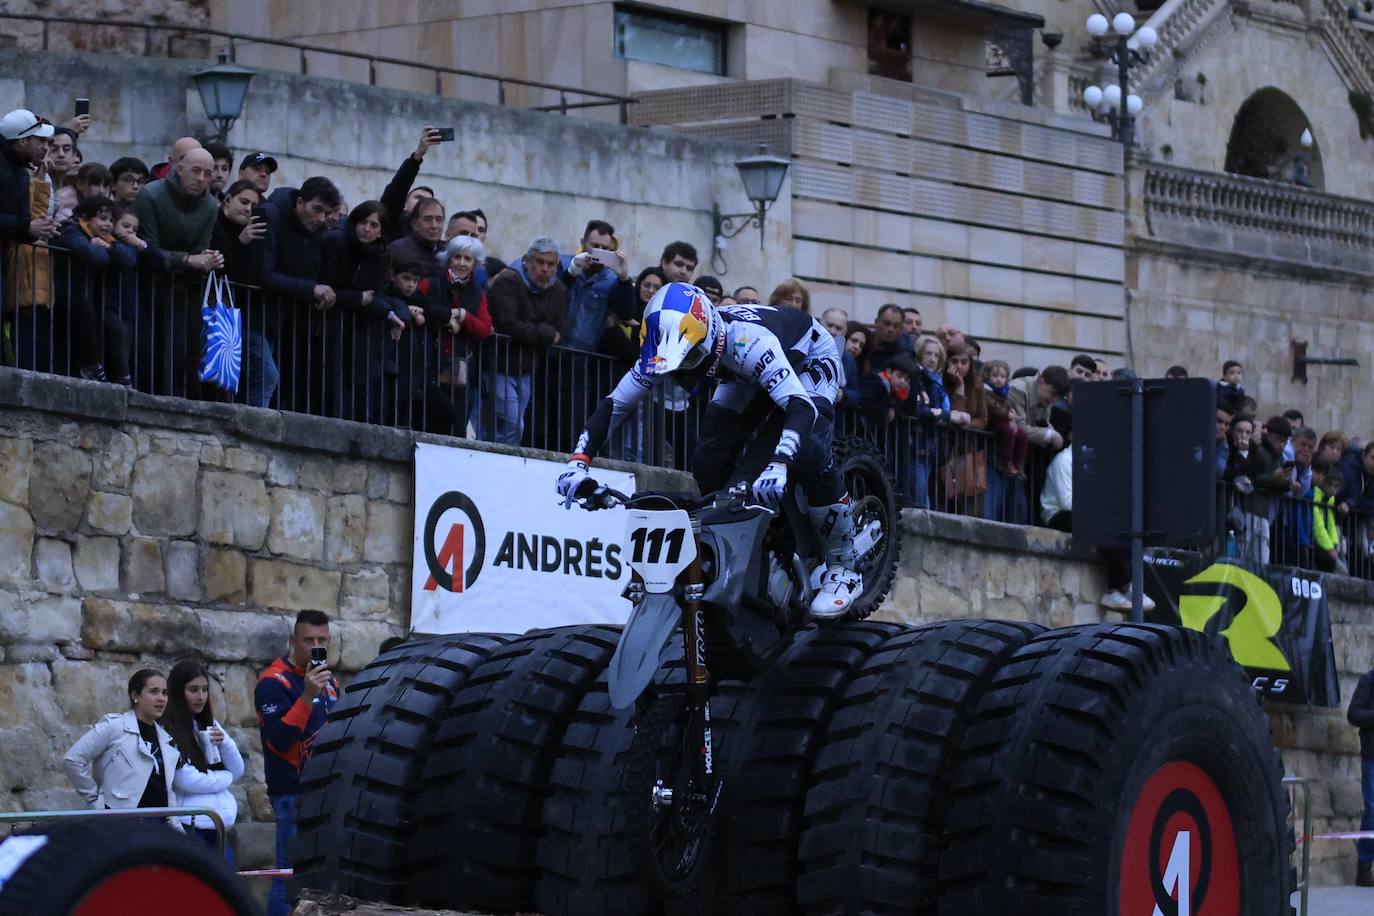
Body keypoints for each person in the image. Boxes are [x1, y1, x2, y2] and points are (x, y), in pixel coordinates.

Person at [556, 286, 866, 618]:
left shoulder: (748, 342)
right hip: (737, 372)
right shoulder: (662, 352)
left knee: (794, 446)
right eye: (677, 366)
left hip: (807, 361)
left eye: (690, 359)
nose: (684, 372)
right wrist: (577, 462)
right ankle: (762, 536)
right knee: (707, 462)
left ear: (710, 339)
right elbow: (614, 405)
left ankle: (845, 565)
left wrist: (778, 463)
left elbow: (799, 407)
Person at [257, 610, 339, 916]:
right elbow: (278, 740)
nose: (315, 646)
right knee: (288, 879)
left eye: (322, 640)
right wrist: (307, 695)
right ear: (293, 641)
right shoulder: (273, 682)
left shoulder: (330, 683)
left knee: (320, 881)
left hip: (324, 791)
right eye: (308, 640)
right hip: (292, 793)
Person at [261, 176, 343, 413]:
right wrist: (311, 289)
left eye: (326, 212)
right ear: (299, 202)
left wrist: (318, 292)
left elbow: (310, 270)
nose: (320, 218)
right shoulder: (271, 216)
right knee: (266, 377)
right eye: (316, 209)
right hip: (258, 315)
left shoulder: (315, 231)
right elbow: (264, 274)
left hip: (287, 321)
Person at [62, 669, 182, 822]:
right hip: (120, 825)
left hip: (158, 827)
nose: (161, 698)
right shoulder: (114, 726)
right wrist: (96, 802)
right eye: (154, 692)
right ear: (135, 695)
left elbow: (167, 791)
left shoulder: (165, 738)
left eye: (164, 693)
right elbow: (73, 760)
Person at [482, 236, 566, 445]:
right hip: (499, 364)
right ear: (526, 261)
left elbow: (559, 328)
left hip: (526, 368)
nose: (545, 268)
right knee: (510, 422)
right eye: (539, 262)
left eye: (550, 264)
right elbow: (507, 323)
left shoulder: (558, 290)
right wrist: (542, 332)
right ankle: (502, 462)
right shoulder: (508, 281)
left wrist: (533, 329)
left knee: (514, 421)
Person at [161, 659, 243, 863]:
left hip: (219, 826)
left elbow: (238, 769)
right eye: (193, 689)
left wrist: (225, 743)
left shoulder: (206, 724)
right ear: (178, 691)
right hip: (191, 826)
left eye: (205, 690)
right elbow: (186, 780)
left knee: (225, 889)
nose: (201, 697)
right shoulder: (167, 729)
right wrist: (226, 777)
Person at [414, 234, 494, 433]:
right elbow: (420, 308)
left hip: (459, 369)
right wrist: (446, 316)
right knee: (427, 420)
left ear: (474, 263)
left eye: (467, 259)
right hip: (427, 361)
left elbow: (485, 329)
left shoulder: (478, 294)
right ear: (449, 258)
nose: (461, 263)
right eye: (457, 257)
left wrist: (464, 315)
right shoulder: (429, 284)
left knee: (457, 425)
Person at [55, 194, 133, 384]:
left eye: (111, 221)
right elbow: (96, 257)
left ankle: (122, 376)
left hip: (95, 300)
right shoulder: (71, 232)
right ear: (86, 219)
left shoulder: (107, 239)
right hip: (67, 296)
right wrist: (105, 249)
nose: (107, 225)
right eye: (102, 218)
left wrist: (109, 245)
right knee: (84, 317)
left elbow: (129, 259)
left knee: (115, 326)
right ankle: (91, 366)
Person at [379, 127, 441, 242]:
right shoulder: (393, 221)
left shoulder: (434, 240)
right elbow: (397, 190)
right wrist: (416, 156)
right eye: (418, 198)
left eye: (428, 200)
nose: (422, 202)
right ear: (405, 205)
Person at [1348, 662, 1374, 887]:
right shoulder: (1368, 680)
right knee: (1373, 809)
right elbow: (1353, 714)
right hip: (1372, 756)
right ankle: (1364, 868)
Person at [983, 360, 1029, 478]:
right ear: (988, 376)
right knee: (1006, 431)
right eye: (995, 376)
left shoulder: (1004, 392)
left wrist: (1012, 413)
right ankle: (1006, 461)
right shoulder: (985, 391)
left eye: (1002, 376)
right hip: (991, 422)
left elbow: (1009, 405)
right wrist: (1008, 415)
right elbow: (992, 407)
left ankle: (1018, 463)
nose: (999, 379)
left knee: (1022, 434)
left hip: (1003, 420)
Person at [863, 304, 914, 375]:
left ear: (901, 329)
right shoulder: (864, 343)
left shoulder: (906, 352)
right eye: (886, 324)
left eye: (896, 326)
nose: (891, 329)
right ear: (876, 322)